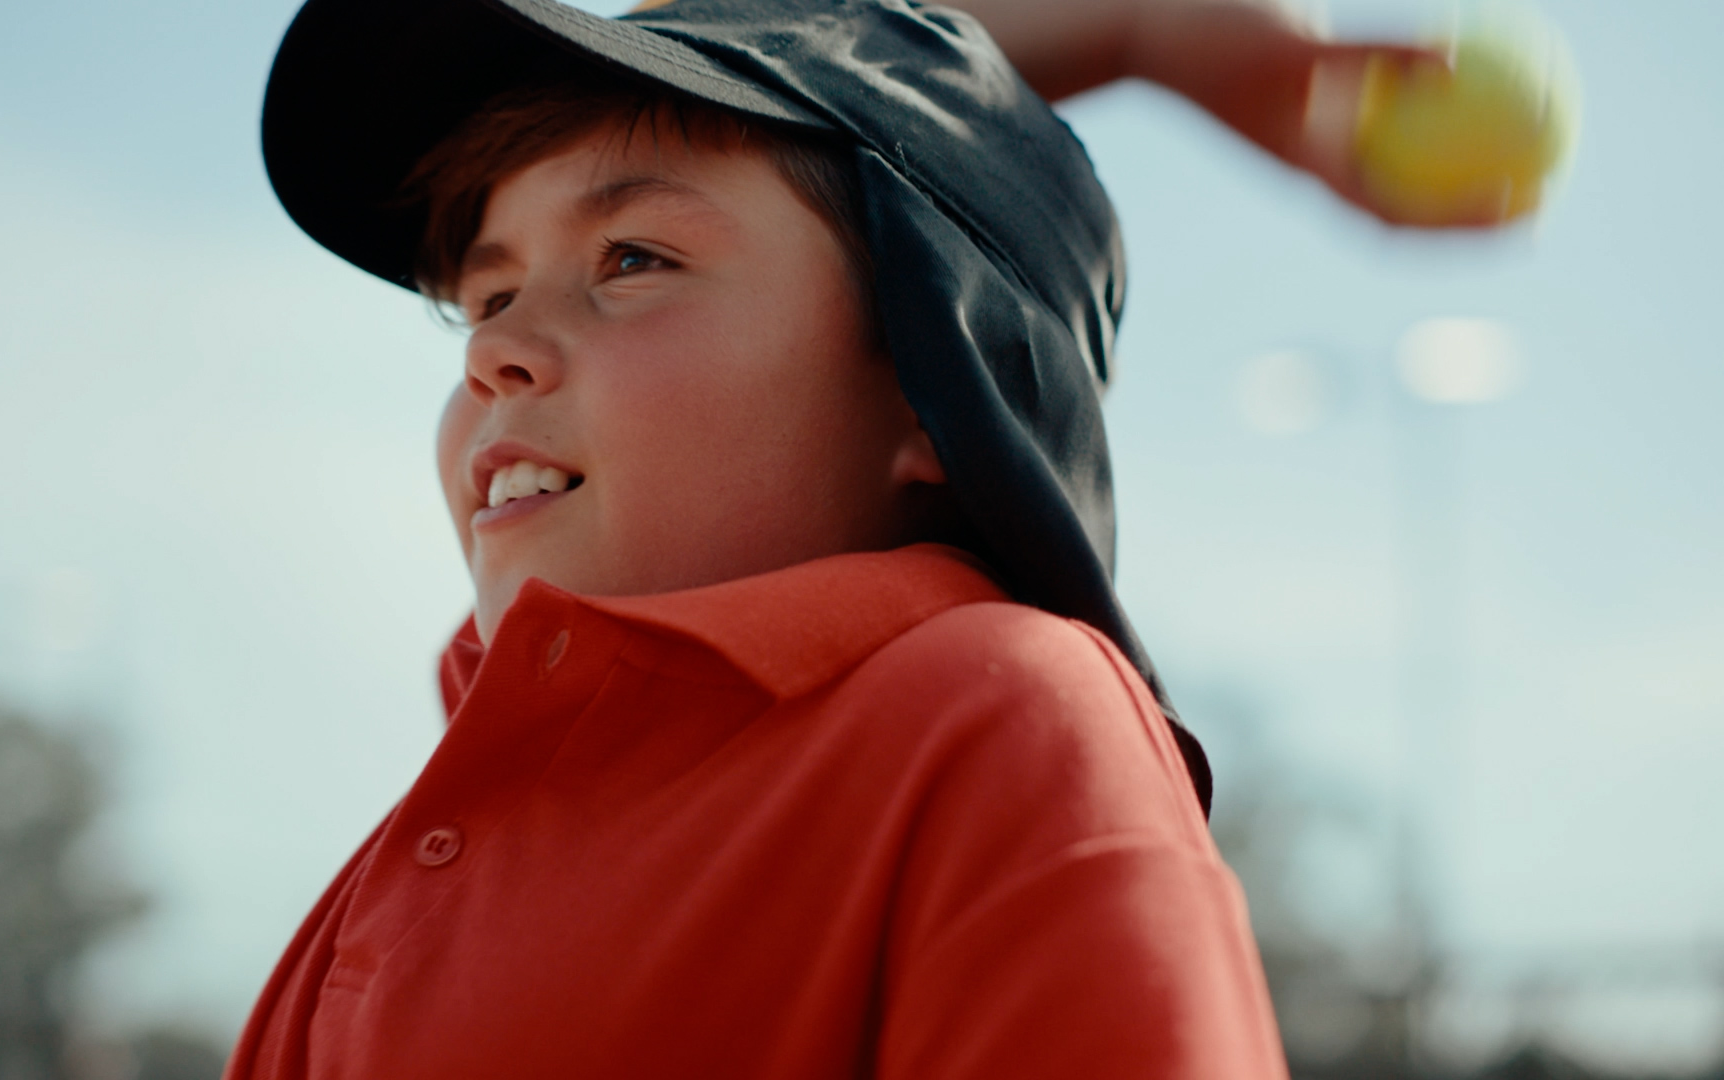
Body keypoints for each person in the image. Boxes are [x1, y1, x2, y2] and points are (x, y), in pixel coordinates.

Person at [231, 0, 1438, 1076]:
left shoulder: (996, 716)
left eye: (632, 259)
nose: (493, 350)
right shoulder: (420, 845)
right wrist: (1145, 26)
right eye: (488, 295)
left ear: (931, 390)